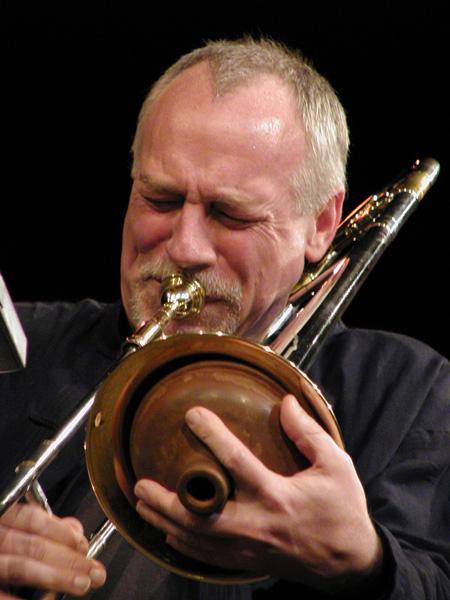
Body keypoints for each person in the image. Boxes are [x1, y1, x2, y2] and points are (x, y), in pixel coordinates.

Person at [0, 37, 448, 599]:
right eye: (160, 200)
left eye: (229, 214)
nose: (185, 248)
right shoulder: (23, 345)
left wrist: (365, 562)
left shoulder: (406, 390)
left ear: (321, 224)